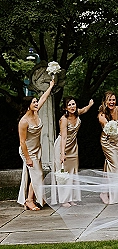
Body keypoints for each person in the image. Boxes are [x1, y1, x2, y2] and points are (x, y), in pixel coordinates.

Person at [17, 79, 55, 210]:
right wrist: (27, 158)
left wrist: (51, 86)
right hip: (27, 151)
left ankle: (29, 198)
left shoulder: (36, 112)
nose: (36, 103)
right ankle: (29, 200)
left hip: (37, 149)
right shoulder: (23, 122)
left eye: (36, 101)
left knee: (35, 174)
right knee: (37, 174)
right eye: (34, 102)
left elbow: (43, 97)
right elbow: (22, 142)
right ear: (28, 105)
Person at [52, 96, 94, 207]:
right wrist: (62, 153)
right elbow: (64, 137)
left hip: (73, 147)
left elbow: (84, 110)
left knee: (73, 173)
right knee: (63, 174)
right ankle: (64, 199)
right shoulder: (64, 119)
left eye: (73, 104)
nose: (72, 106)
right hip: (63, 146)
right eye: (69, 105)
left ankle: (72, 198)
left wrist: (90, 104)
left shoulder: (77, 113)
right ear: (65, 107)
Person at [98, 91, 118, 204]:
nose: (112, 102)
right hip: (108, 142)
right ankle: (114, 195)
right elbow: (107, 127)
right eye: (109, 100)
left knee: (108, 166)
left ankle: (104, 192)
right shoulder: (102, 115)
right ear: (105, 102)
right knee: (114, 167)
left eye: (113, 99)